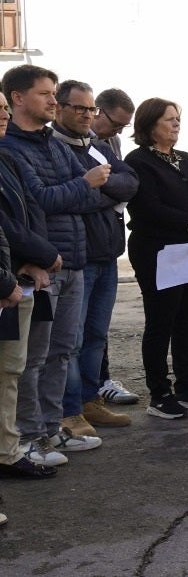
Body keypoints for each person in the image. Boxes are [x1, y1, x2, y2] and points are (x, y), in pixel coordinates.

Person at [0, 65, 116, 461]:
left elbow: (99, 193)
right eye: (45, 94)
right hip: (40, 265)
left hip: (74, 261)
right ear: (18, 98)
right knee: (33, 359)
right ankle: (30, 438)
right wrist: (82, 186)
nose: (54, 100)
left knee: (63, 350)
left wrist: (79, 189)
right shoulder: (10, 148)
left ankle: (52, 430)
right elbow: (42, 201)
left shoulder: (54, 142)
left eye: (54, 93)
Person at [125, 98, 188, 420]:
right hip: (158, 251)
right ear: (150, 124)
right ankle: (159, 393)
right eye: (169, 119)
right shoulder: (138, 161)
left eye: (178, 119)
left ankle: (186, 385)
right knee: (161, 320)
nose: (176, 124)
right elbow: (147, 207)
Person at [52, 80, 139, 435]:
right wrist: (94, 189)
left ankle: (91, 400)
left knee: (96, 336)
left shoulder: (98, 146)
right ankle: (70, 410)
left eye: (90, 110)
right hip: (77, 256)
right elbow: (67, 196)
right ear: (59, 108)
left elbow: (130, 181)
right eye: (80, 108)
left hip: (106, 254)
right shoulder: (54, 148)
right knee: (69, 341)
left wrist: (95, 187)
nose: (87, 115)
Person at [0, 91, 60, 478]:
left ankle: (7, 452)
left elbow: (27, 213)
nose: (3, 115)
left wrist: (32, 260)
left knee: (9, 372)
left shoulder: (5, 158)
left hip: (14, 282)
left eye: (4, 108)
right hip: (8, 283)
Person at [89, 88, 141, 409]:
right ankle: (88, 391)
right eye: (116, 124)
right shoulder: (71, 143)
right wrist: (110, 193)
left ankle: (101, 381)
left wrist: (108, 191)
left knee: (99, 324)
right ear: (98, 111)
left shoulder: (113, 142)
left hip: (109, 240)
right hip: (84, 244)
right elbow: (82, 193)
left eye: (125, 127)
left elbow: (130, 184)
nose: (120, 132)